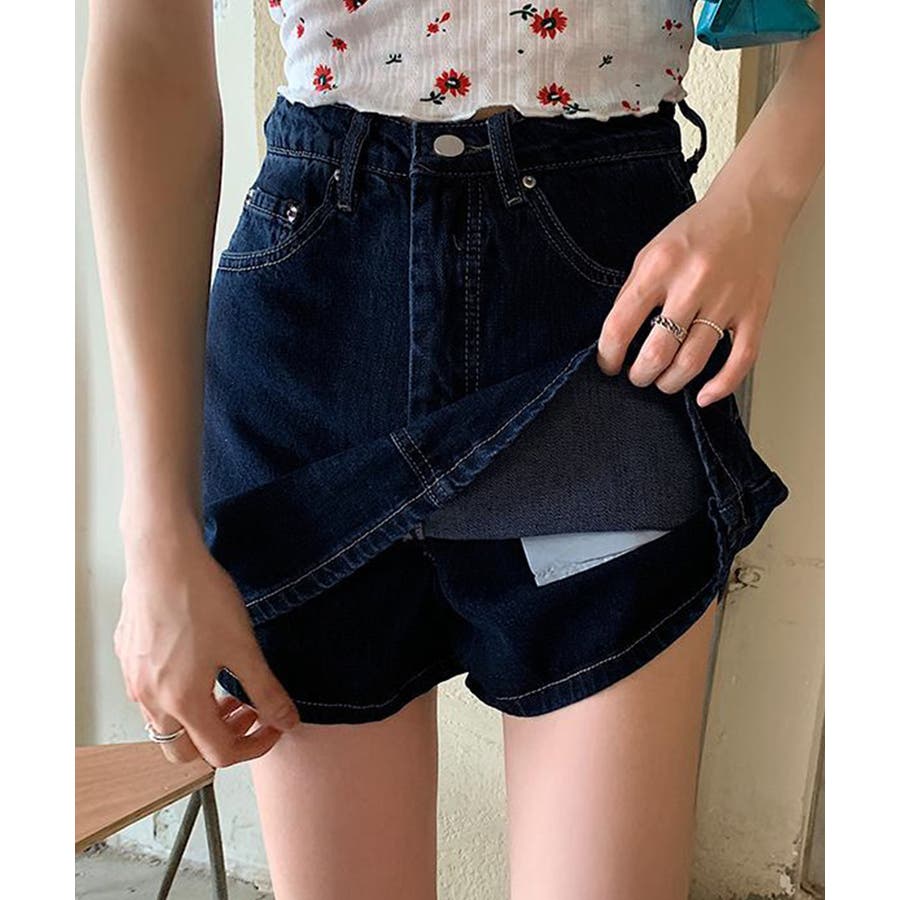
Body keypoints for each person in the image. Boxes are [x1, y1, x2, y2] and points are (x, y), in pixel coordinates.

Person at [81, 1, 824, 897]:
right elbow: (147, 46)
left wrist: (761, 198)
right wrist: (156, 534)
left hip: (608, 325)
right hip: (313, 337)